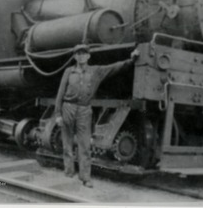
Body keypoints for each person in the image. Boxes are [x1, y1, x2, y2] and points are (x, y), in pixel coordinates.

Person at [54, 44, 140, 188]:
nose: (81, 56)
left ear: (88, 56)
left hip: (84, 110)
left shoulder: (96, 71)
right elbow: (60, 93)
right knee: (67, 144)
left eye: (84, 53)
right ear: (75, 57)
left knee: (85, 146)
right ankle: (69, 173)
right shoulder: (69, 71)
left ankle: (85, 177)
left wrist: (130, 60)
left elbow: (114, 67)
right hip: (68, 107)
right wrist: (58, 114)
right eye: (78, 54)